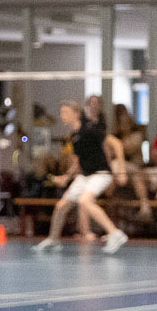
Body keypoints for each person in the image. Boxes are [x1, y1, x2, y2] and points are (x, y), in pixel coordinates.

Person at [33, 100, 128, 254]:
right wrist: (66, 177)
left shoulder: (90, 128)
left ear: (76, 113)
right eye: (61, 112)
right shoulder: (74, 136)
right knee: (61, 206)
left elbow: (116, 143)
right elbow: (78, 161)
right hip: (85, 176)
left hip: (101, 174)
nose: (62, 115)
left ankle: (115, 233)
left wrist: (122, 170)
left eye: (66, 112)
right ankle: (53, 239)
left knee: (85, 201)